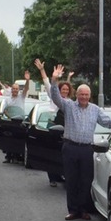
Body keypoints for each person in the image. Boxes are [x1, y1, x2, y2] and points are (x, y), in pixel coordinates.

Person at [50, 64, 111, 221]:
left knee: (85, 180)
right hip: (70, 147)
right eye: (81, 94)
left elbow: (108, 122)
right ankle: (73, 210)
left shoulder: (95, 109)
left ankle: (83, 209)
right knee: (71, 179)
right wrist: (55, 80)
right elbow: (55, 97)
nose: (83, 97)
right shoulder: (68, 105)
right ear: (76, 94)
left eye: (86, 95)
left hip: (86, 150)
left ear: (90, 96)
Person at [34, 58, 73, 187]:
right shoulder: (53, 96)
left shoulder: (69, 102)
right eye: (63, 90)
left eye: (67, 90)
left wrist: (68, 78)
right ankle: (52, 177)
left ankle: (61, 174)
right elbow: (46, 82)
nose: (65, 92)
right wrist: (42, 70)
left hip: (65, 129)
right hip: (53, 126)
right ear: (59, 90)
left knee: (63, 154)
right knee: (52, 152)